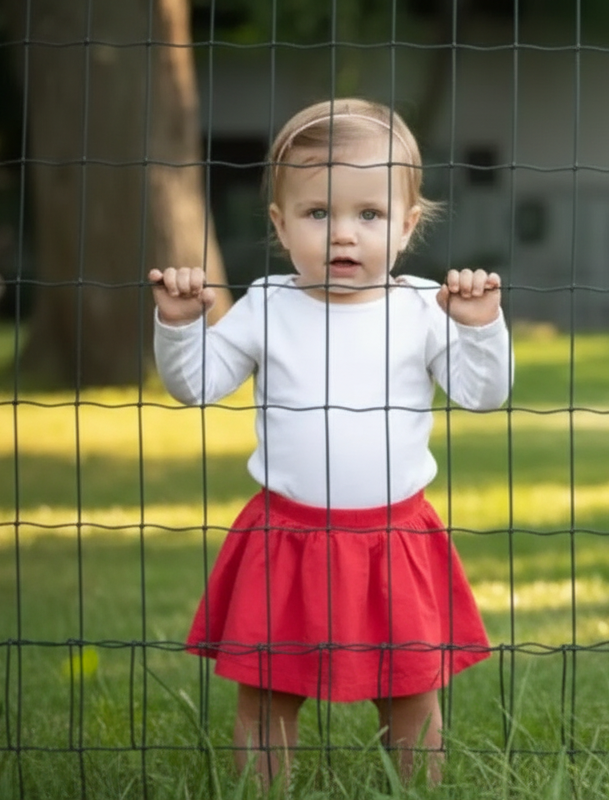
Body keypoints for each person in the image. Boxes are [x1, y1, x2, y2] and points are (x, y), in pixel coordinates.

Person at [150, 98, 512, 788]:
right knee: (266, 693)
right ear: (281, 226)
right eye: (319, 214)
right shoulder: (265, 305)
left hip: (394, 537)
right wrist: (177, 325)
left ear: (407, 226)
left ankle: (415, 790)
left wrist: (480, 326)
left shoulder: (422, 308)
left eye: (369, 215)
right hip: (284, 537)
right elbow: (197, 386)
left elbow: (482, 393)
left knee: (409, 694)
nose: (344, 234)